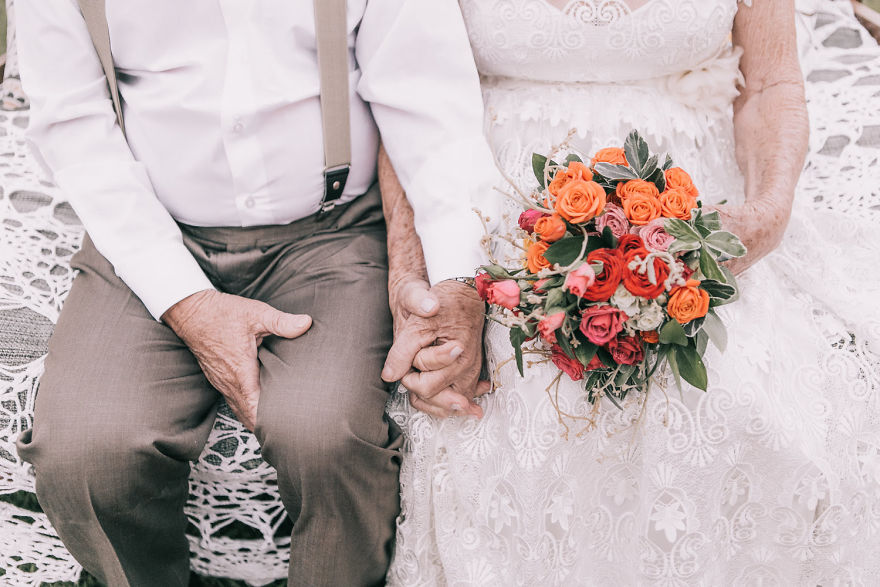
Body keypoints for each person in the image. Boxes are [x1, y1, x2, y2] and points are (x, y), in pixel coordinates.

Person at [384, 0, 880, 584]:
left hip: (697, 209)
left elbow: (771, 85)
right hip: (490, 211)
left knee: (747, 406)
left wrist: (765, 217)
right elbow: (406, 93)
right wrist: (417, 272)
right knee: (507, 408)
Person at [13, 1, 494, 585]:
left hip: (333, 233)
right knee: (86, 455)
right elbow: (73, 125)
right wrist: (184, 300)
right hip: (146, 233)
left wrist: (453, 280)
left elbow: (426, 101)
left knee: (327, 438)